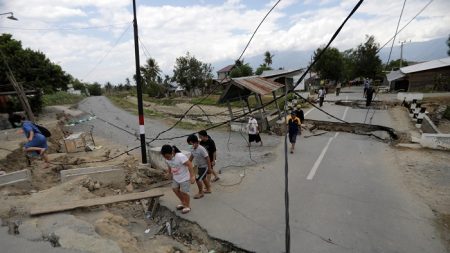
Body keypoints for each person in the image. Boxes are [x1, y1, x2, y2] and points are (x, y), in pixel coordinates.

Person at [161, 145, 195, 214]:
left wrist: (192, 176)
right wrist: (169, 173)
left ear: (172, 152)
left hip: (184, 177)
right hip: (176, 177)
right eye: (165, 157)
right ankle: (183, 202)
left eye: (168, 156)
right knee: (175, 189)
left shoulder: (180, 156)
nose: (167, 158)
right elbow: (169, 166)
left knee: (184, 192)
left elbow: (190, 164)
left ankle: (187, 206)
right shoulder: (167, 159)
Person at [187, 134, 212, 199]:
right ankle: (208, 189)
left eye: (192, 143)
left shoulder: (201, 149)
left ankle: (201, 193)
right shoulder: (192, 148)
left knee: (198, 179)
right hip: (198, 166)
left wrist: (209, 168)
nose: (191, 145)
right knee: (203, 178)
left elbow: (207, 158)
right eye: (190, 144)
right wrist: (187, 164)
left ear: (196, 142)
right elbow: (191, 157)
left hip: (204, 166)